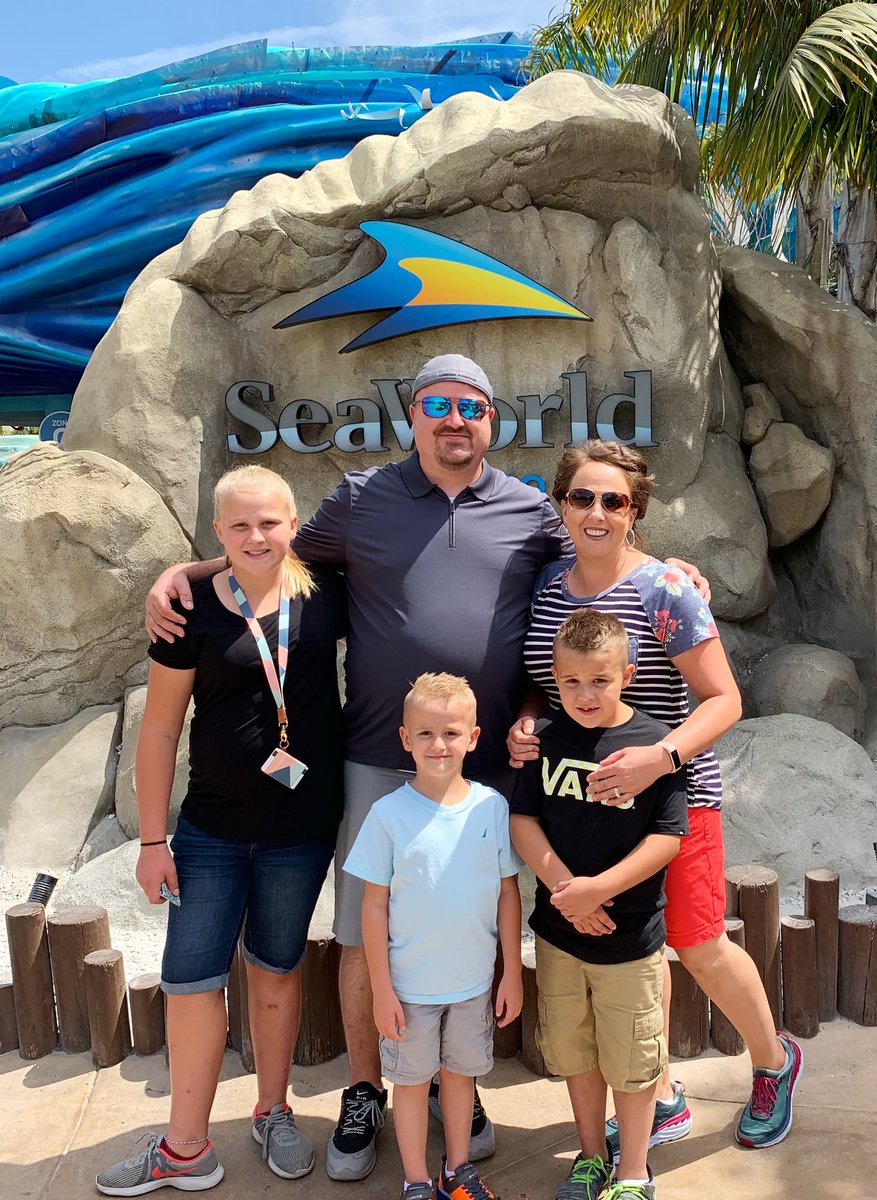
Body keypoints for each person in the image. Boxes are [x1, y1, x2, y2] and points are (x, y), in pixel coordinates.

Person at [146, 356, 708, 1180]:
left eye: (471, 407)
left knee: (479, 915)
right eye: (438, 405)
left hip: (493, 763)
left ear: (492, 421)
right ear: (413, 415)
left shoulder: (527, 509)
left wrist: (670, 571)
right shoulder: (359, 499)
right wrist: (186, 571)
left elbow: (602, 545)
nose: (455, 420)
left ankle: (458, 1078)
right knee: (367, 925)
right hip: (380, 758)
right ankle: (369, 1086)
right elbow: (266, 554)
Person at [509, 440, 804, 1155]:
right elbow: (549, 681)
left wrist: (661, 755)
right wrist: (527, 719)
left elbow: (723, 698)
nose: (597, 512)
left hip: (674, 798)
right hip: (579, 802)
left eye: (614, 500)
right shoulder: (548, 587)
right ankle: (662, 1092)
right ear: (561, 504)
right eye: (583, 496)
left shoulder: (665, 590)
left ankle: (773, 1060)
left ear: (635, 512)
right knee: (636, 952)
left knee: (697, 943)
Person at [98, 465, 346, 1195]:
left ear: (294, 524)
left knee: (275, 972)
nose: (256, 536)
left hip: (300, 829)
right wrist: (150, 840)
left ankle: (273, 1112)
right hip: (207, 830)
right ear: (218, 533)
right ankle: (184, 1146)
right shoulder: (189, 611)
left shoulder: (326, 592)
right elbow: (159, 731)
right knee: (190, 980)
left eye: (270, 522)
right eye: (239, 525)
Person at [510, 609, 688, 1200]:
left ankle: (634, 1171)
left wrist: (601, 890)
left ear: (628, 675)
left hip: (630, 939)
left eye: (600, 680)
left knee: (633, 1059)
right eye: (571, 682)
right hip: (561, 935)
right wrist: (568, 890)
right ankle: (591, 1158)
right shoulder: (548, 739)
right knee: (575, 1051)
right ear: (554, 680)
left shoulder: (653, 747)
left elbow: (667, 838)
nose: (584, 695)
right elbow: (524, 821)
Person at [344, 673, 521, 1200]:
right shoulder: (387, 815)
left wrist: (510, 971)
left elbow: (508, 894)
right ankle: (417, 1180)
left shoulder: (492, 807)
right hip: (410, 990)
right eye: (424, 734)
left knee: (462, 1079)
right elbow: (372, 908)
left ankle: (459, 1171)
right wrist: (380, 989)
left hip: (471, 985)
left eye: (450, 733)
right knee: (413, 1084)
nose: (438, 745)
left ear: (474, 736)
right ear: (405, 739)